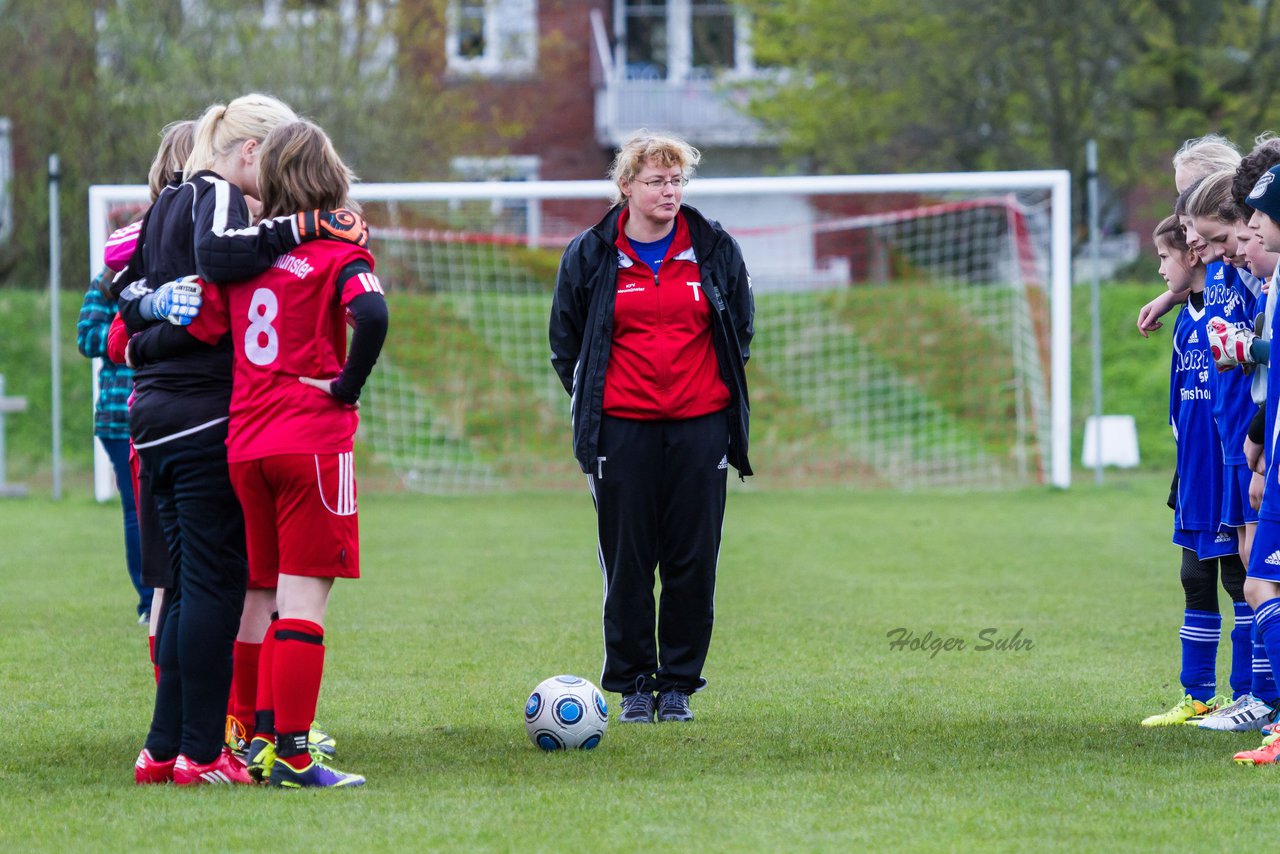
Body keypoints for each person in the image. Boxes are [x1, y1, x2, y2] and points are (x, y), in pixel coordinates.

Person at [119, 94, 367, 786]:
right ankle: (209, 752)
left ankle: (163, 749)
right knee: (214, 592)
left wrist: (149, 331)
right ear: (252, 152)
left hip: (155, 419)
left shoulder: (165, 202)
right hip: (213, 422)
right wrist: (312, 227)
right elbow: (217, 273)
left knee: (178, 586)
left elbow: (126, 306)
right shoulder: (219, 200)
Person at [180, 119, 387, 788]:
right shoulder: (336, 250)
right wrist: (346, 388)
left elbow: (201, 325)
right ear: (330, 177)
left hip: (246, 444)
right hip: (312, 442)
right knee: (303, 602)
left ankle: (250, 741)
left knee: (257, 594)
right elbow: (374, 316)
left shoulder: (240, 256)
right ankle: (296, 755)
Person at [548, 131, 754, 724]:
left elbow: (738, 331)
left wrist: (706, 401)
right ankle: (636, 683)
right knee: (630, 559)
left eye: (676, 180)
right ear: (626, 187)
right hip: (622, 432)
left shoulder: (713, 248)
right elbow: (567, 346)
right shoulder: (591, 253)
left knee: (693, 558)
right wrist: (602, 403)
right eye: (657, 180)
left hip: (700, 430)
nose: (669, 191)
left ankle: (680, 686)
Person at [1140, 212, 1243, 726]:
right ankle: (1199, 693)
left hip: (1229, 470)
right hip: (1194, 473)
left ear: (1192, 252)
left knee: (1239, 577)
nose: (1160, 270)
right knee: (1193, 577)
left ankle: (1250, 694)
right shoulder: (1185, 320)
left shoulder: (1229, 303)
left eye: (1163, 257)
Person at [77, 268, 150, 624]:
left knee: (156, 506)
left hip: (155, 410)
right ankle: (149, 599)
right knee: (136, 508)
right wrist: (128, 329)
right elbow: (86, 338)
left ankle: (167, 594)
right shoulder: (103, 285)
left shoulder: (159, 275)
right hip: (119, 418)